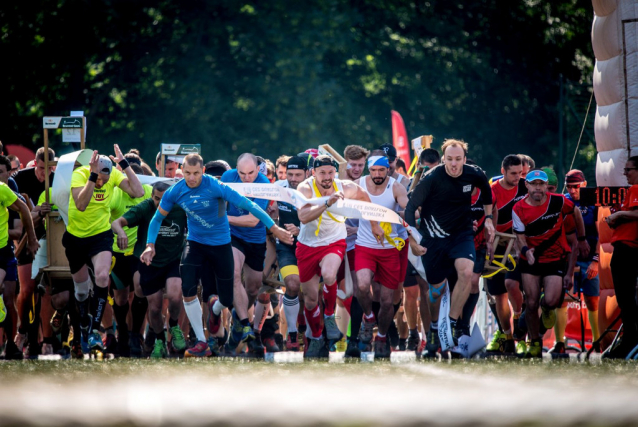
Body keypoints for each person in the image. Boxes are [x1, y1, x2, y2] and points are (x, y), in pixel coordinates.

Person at [141, 153, 292, 358]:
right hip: (195, 244)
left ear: (202, 171)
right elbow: (157, 219)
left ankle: (215, 308)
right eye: (187, 173)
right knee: (188, 288)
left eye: (196, 173)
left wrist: (274, 228)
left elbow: (250, 206)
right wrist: (150, 246)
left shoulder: (215, 186)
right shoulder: (175, 191)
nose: (191, 178)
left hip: (221, 245)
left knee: (226, 299)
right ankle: (201, 341)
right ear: (182, 172)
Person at [405, 139, 494, 352]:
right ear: (443, 159)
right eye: (450, 159)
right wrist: (413, 242)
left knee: (466, 272)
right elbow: (409, 210)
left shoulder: (474, 173)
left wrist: (489, 218)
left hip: (461, 234)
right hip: (433, 239)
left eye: (458, 159)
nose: (454, 164)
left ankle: (452, 324)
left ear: (464, 159)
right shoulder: (431, 178)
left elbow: (486, 192)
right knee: (435, 292)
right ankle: (435, 327)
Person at [296, 155, 384, 358]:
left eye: (330, 172)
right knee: (309, 300)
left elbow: (365, 199)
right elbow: (303, 216)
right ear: (313, 173)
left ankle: (329, 316)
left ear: (336, 172)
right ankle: (317, 339)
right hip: (307, 245)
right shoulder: (305, 189)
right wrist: (327, 203)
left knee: (329, 275)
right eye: (322, 173)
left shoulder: (345, 187)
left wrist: (374, 224)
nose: (326, 177)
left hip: (334, 242)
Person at [63, 146, 144, 355]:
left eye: (104, 181)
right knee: (81, 291)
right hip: (76, 238)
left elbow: (139, 191)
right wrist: (92, 177)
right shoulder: (80, 175)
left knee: (101, 277)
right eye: (99, 179)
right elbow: (81, 204)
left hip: (101, 236)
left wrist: (123, 165)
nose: (101, 183)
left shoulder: (113, 174)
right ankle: (82, 324)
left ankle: (94, 331)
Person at [512, 169, 589, 358]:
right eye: (534, 184)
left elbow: (576, 212)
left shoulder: (559, 201)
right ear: (527, 186)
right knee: (530, 303)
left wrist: (582, 238)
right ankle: (535, 342)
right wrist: (525, 252)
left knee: (552, 300)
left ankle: (545, 309)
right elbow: (519, 237)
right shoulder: (519, 208)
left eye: (541, 184)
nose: (538, 188)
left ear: (546, 186)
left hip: (555, 258)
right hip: (530, 259)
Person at [354, 154, 424, 358]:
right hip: (365, 245)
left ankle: (382, 337)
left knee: (386, 301)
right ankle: (368, 317)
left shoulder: (395, 187)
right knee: (361, 285)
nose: (377, 175)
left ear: (388, 170)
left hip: (390, 248)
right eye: (373, 170)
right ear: (368, 170)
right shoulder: (359, 185)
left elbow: (412, 211)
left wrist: (396, 215)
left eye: (381, 171)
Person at [112, 181, 187, 358]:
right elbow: (117, 222)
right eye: (156, 199)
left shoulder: (181, 207)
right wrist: (121, 232)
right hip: (149, 261)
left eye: (164, 199)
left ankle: (174, 326)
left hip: (173, 260)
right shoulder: (145, 207)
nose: (160, 203)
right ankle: (159, 340)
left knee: (176, 295)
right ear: (151, 196)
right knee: (154, 307)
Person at [221, 153, 279, 355]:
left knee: (254, 287)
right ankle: (244, 323)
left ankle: (237, 320)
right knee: (235, 273)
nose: (246, 178)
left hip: (255, 238)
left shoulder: (264, 184)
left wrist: (224, 218)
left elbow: (253, 220)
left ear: (258, 168)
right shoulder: (227, 177)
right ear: (236, 170)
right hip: (233, 237)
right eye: (242, 173)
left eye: (251, 173)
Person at [550, 169, 600, 354]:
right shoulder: (562, 201)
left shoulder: (594, 201)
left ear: (584, 184)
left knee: (592, 300)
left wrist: (596, 261)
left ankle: (597, 342)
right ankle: (559, 342)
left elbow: (601, 233)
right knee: (561, 300)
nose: (572, 191)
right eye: (569, 187)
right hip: (568, 258)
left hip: (589, 259)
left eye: (576, 187)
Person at [13, 146, 55, 356]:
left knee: (46, 290)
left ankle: (46, 339)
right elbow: (15, 214)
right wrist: (35, 213)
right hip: (26, 239)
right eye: (40, 168)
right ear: (35, 164)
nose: (44, 173)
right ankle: (22, 332)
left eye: (48, 169)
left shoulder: (57, 181)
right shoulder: (20, 178)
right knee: (27, 289)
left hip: (50, 240)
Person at [108, 166, 153, 357]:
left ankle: (136, 336)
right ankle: (123, 336)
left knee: (140, 290)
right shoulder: (115, 193)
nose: (133, 186)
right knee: (121, 298)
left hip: (139, 252)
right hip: (117, 253)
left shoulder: (149, 192)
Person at [485, 154, 527, 355]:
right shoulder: (491, 190)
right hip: (496, 245)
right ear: (503, 171)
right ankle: (507, 336)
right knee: (498, 295)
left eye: (520, 173)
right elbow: (487, 219)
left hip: (519, 244)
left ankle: (522, 329)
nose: (518, 177)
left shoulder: (527, 187)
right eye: (513, 173)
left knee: (517, 287)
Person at [604, 156, 638, 358]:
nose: (625, 173)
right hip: (628, 246)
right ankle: (629, 339)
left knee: (625, 298)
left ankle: (630, 340)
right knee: (626, 298)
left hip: (627, 247)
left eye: (628, 169)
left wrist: (618, 216)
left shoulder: (635, 189)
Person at [272, 156, 307, 351]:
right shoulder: (279, 187)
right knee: (292, 285)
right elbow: (267, 210)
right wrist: (271, 214)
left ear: (307, 173)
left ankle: (311, 332)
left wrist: (301, 230)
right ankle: (292, 334)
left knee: (312, 293)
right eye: (290, 174)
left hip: (311, 245)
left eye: (297, 175)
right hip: (287, 246)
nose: (293, 179)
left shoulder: (312, 189)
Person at [340, 145, 369, 357]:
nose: (357, 168)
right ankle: (320, 337)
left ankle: (353, 339)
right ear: (345, 163)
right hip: (331, 242)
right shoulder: (333, 180)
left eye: (361, 165)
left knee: (358, 290)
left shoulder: (366, 186)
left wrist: (356, 229)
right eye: (353, 165)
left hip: (357, 244)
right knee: (333, 290)